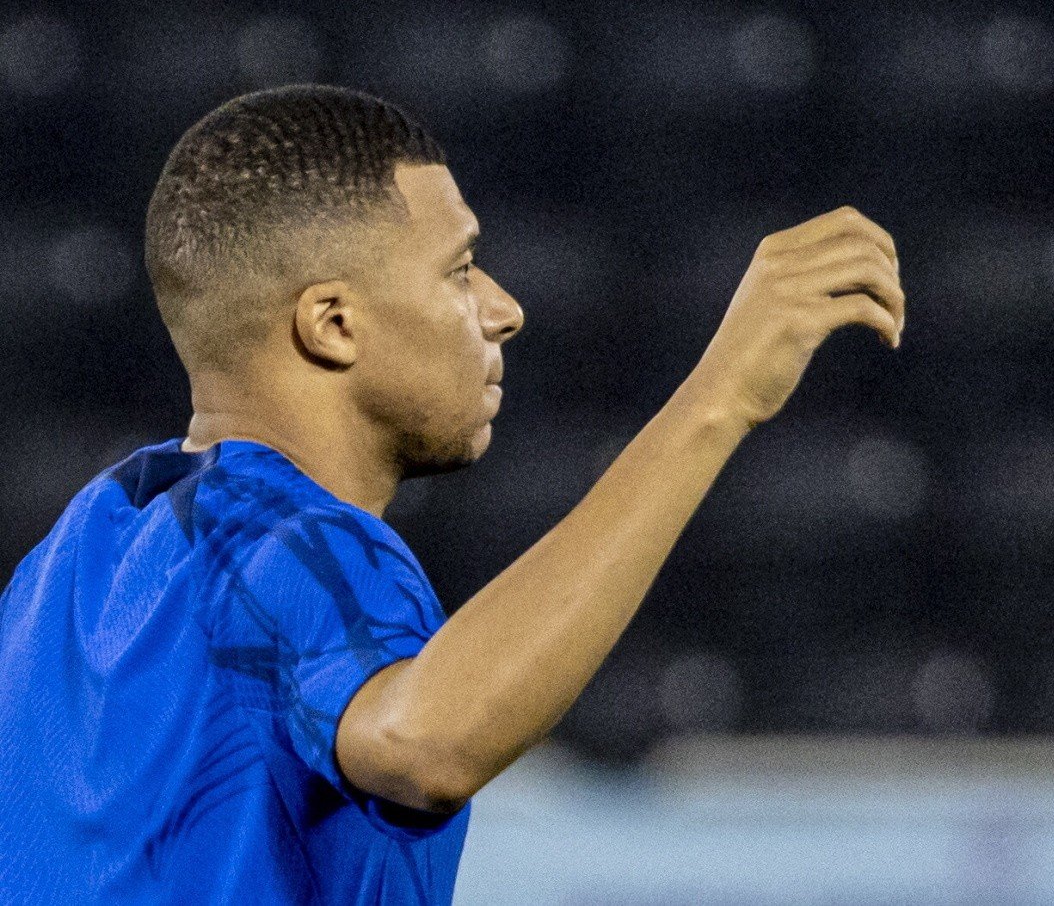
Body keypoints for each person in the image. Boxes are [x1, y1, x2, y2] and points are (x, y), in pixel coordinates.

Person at [0, 84, 906, 904]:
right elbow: (426, 744)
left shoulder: (67, 560)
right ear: (334, 322)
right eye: (459, 269)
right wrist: (719, 399)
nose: (502, 307)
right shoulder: (298, 539)